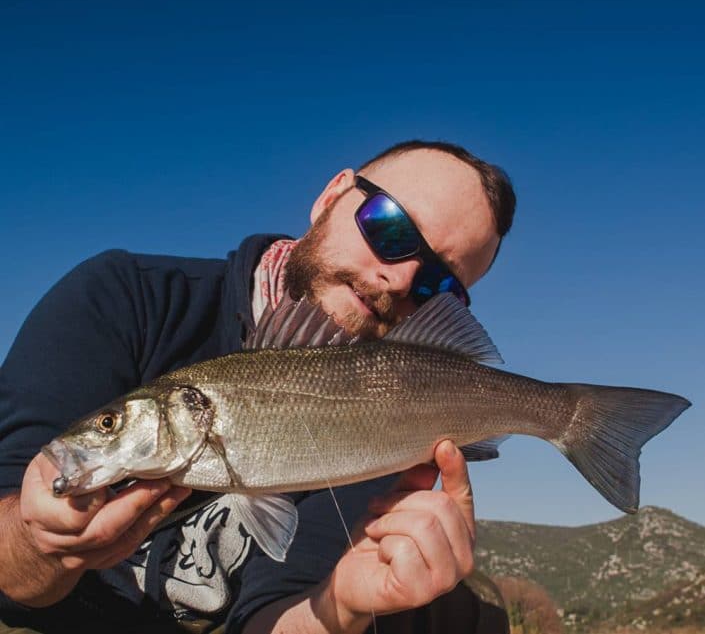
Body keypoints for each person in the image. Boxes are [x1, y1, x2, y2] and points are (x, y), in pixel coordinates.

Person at [0, 140, 516, 634]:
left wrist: (341, 604)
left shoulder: (390, 418)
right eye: (389, 228)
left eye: (438, 285)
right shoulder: (122, 297)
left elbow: (273, 614)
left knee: (465, 612)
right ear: (331, 196)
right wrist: (34, 541)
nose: (399, 279)